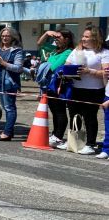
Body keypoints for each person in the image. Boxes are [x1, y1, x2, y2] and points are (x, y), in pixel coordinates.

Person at [57, 26, 109, 154]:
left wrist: (89, 71)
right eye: (83, 36)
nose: (83, 39)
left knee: (90, 117)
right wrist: (66, 73)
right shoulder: (77, 50)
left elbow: (106, 73)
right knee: (74, 115)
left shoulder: (103, 53)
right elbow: (67, 65)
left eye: (87, 37)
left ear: (95, 38)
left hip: (94, 90)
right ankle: (74, 141)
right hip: (76, 88)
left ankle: (90, 144)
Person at [36, 30, 74, 147]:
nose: (56, 40)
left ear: (67, 39)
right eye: (55, 38)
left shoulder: (68, 52)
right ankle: (55, 134)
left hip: (59, 85)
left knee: (60, 111)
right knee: (54, 111)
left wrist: (44, 65)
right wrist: (47, 33)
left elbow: (53, 67)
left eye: (59, 37)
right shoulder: (54, 51)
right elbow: (39, 44)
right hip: (49, 85)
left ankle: (59, 136)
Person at [0, 28, 23, 141]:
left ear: (13, 37)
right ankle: (9, 131)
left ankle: (7, 133)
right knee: (5, 107)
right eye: (3, 35)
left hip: (9, 83)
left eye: (7, 36)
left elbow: (18, 68)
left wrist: (2, 62)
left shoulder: (16, 51)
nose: (4, 38)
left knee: (9, 108)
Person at [98, 65, 109, 159]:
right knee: (107, 125)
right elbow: (106, 84)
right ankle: (106, 149)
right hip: (107, 95)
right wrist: (105, 76)